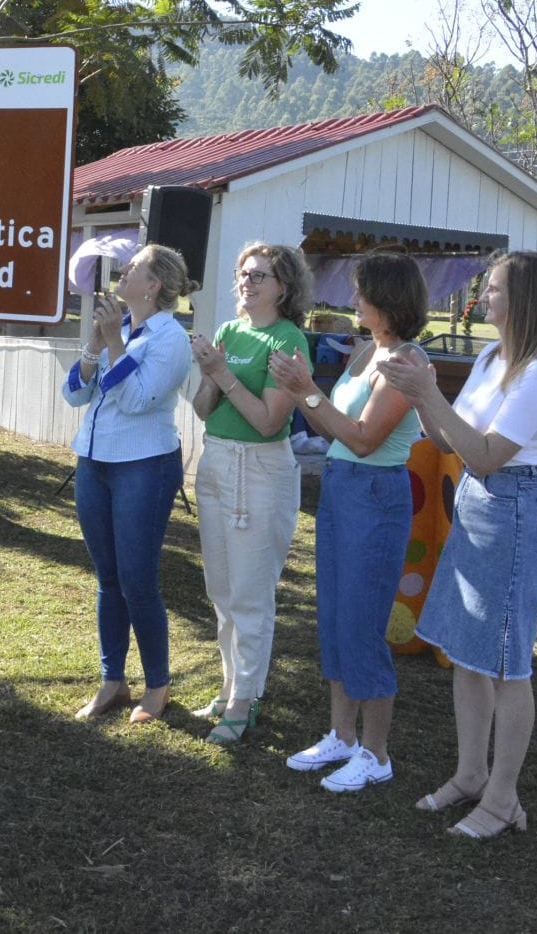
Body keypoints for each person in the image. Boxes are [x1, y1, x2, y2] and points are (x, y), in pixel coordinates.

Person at [375, 250, 537, 839]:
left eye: (494, 288)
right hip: (476, 505)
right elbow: (446, 439)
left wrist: (428, 392)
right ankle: (470, 775)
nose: (483, 296)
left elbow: (486, 456)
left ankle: (503, 798)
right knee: (468, 653)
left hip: (512, 509)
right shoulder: (492, 358)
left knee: (507, 663)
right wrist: (420, 393)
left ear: (523, 299)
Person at [267, 250, 431, 791]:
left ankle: (376, 754)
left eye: (363, 291)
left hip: (375, 495)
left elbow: (363, 438)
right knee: (336, 616)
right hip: (341, 489)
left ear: (389, 299)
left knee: (362, 623)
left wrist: (305, 390)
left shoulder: (407, 360)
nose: (354, 299)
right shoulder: (365, 350)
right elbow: (331, 425)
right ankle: (342, 736)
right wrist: (304, 392)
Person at [62, 244, 194, 725]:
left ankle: (157, 685)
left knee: (137, 580)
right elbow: (74, 394)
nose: (123, 269)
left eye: (133, 266)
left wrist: (115, 343)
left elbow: (138, 401)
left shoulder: (170, 339)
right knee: (109, 578)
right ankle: (112, 680)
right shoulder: (120, 329)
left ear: (153, 286)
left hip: (144, 466)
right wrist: (93, 347)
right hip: (95, 463)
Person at [189, 243, 314, 744]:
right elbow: (203, 409)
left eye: (260, 275)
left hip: (259, 470)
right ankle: (229, 688)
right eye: (244, 273)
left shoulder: (288, 340)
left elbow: (267, 422)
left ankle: (245, 699)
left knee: (250, 593)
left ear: (284, 287)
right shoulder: (228, 331)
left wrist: (223, 374)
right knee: (221, 589)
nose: (247, 282)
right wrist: (209, 374)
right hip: (217, 460)